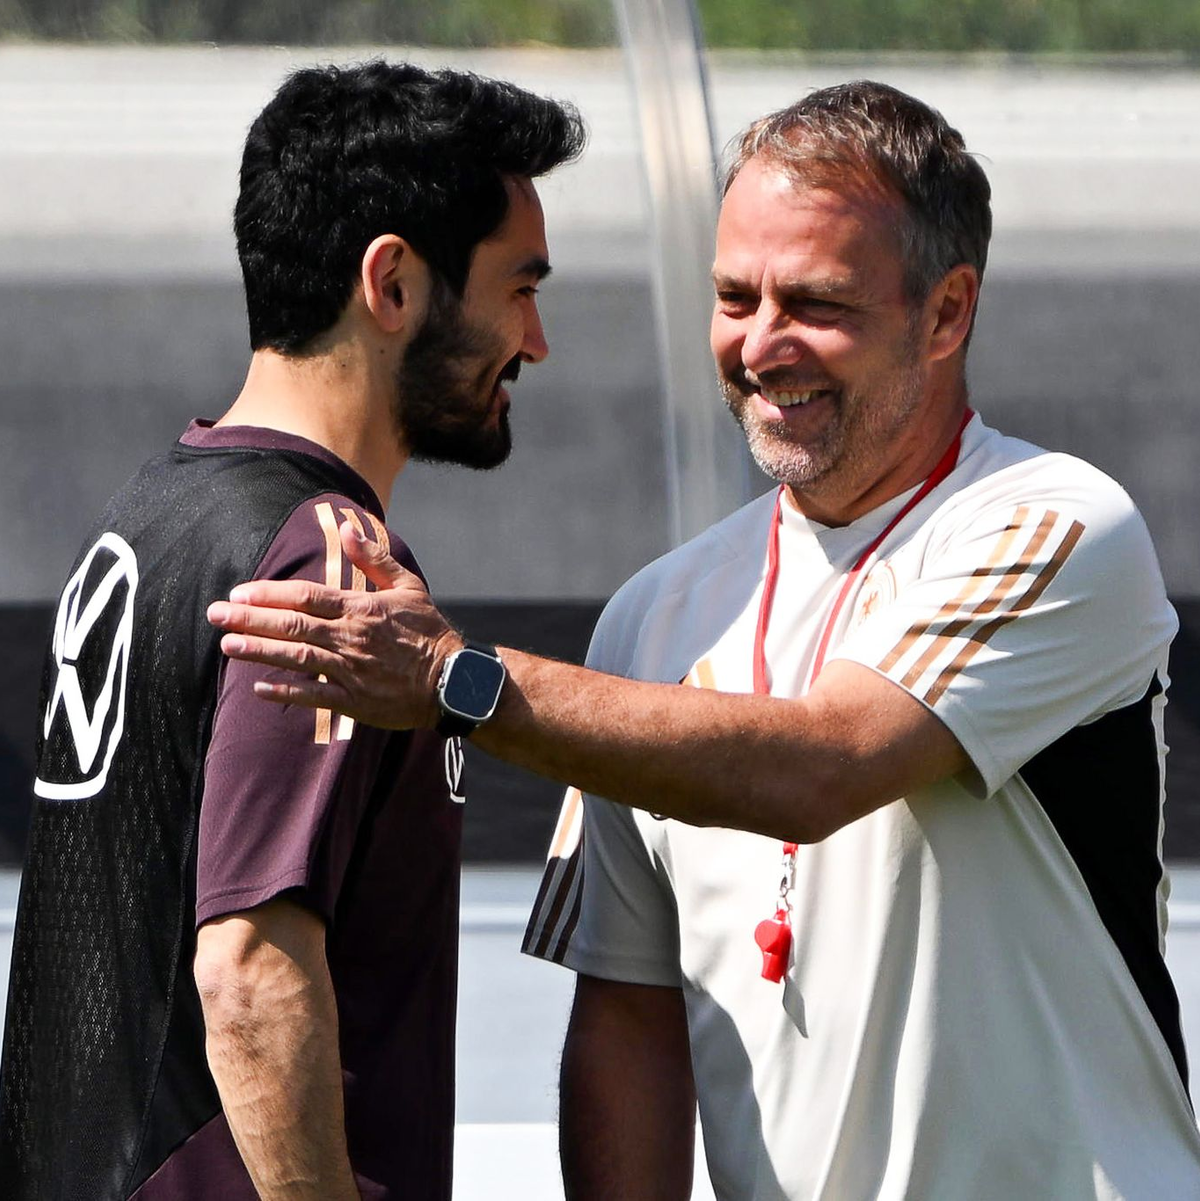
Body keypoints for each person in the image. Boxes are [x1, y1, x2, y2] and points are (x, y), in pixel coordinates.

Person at [207, 80, 1200, 1199]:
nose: (761, 344)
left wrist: (453, 678)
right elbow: (628, 1018)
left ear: (946, 313)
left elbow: (824, 765)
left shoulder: (1055, 525)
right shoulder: (650, 616)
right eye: (734, 296)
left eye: (816, 302)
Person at [0, 60, 583, 1200]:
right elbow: (251, 972)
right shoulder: (327, 560)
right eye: (520, 287)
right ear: (393, 283)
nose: (537, 338)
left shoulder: (148, 515)